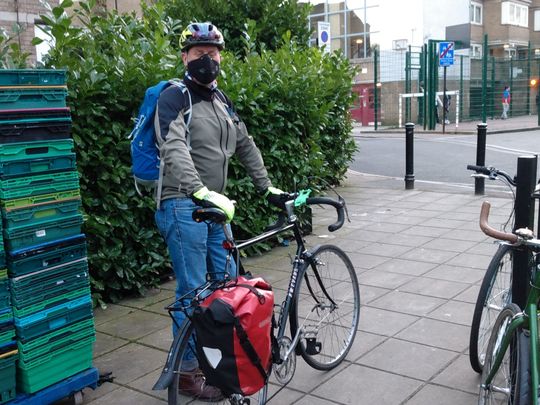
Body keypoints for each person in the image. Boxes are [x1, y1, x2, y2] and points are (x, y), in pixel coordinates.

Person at [153, 22, 283, 400]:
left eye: (212, 53)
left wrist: (267, 187)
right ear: (184, 57)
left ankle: (220, 360)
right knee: (193, 292)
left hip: (214, 209)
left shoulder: (221, 100)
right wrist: (199, 191)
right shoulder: (174, 97)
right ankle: (187, 372)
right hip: (182, 204)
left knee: (227, 286)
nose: (207, 60)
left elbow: (246, 144)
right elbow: (172, 147)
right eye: (199, 54)